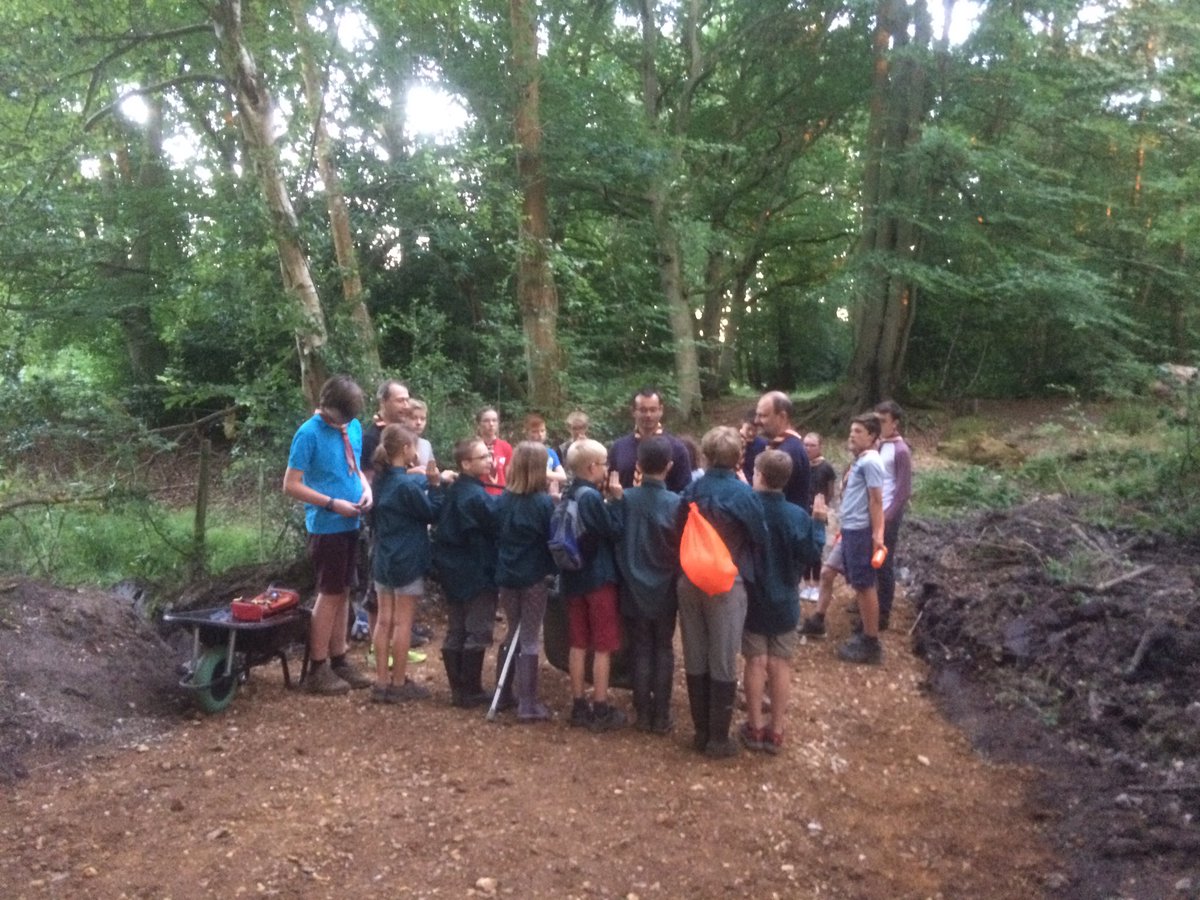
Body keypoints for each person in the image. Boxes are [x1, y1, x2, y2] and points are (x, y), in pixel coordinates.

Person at [678, 426, 768, 758]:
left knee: (695, 652)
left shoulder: (692, 488)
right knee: (723, 656)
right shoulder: (745, 496)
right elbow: (760, 538)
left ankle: (700, 732)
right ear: (737, 458)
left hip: (689, 580)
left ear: (706, 454)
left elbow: (678, 527)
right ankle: (718, 738)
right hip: (727, 583)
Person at [283, 375, 374, 694]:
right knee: (330, 592)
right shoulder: (308, 434)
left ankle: (340, 659)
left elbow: (355, 468)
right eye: (339, 419)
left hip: (352, 521)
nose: (343, 425)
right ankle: (317, 668)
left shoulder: (353, 427)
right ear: (325, 406)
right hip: (327, 525)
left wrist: (366, 489)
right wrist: (333, 504)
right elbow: (291, 484)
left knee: (345, 591)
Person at [741, 449, 821, 754]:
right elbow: (812, 554)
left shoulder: (748, 510)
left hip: (754, 599)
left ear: (759, 475)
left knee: (755, 661)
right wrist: (820, 525)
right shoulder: (798, 516)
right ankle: (776, 730)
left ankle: (754, 726)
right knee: (779, 663)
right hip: (786, 600)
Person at [798, 414, 887, 665]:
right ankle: (817, 621)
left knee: (863, 584)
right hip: (848, 530)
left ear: (872, 436)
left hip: (860, 532)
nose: (852, 435)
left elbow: (877, 501)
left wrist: (877, 535)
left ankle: (871, 643)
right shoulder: (860, 461)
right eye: (851, 430)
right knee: (827, 573)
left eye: (858, 431)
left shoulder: (871, 463)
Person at [612, 436, 683, 734]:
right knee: (663, 646)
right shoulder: (678, 504)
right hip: (665, 587)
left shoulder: (624, 499)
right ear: (669, 466)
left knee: (640, 647)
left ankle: (642, 713)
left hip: (631, 586)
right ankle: (661, 715)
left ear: (638, 466)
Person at [369, 424, 442, 702]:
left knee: (384, 620)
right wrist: (435, 486)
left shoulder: (380, 480)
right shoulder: (404, 486)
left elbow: (406, 486)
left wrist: (425, 480)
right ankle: (399, 684)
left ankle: (381, 682)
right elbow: (431, 513)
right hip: (407, 558)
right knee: (403, 623)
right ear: (406, 450)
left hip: (383, 556)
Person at [360, 379, 428, 664]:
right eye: (401, 400)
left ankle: (395, 646)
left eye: (408, 399)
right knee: (379, 591)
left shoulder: (404, 432)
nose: (407, 405)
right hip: (381, 522)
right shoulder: (370, 437)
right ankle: (381, 652)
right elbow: (366, 477)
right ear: (383, 402)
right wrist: (418, 478)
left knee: (395, 594)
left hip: (401, 520)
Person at [561, 438, 627, 731]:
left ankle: (578, 704)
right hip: (598, 577)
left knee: (577, 642)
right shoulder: (589, 497)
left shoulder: (568, 492)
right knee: (602, 644)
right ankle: (599, 705)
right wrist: (616, 501)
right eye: (604, 465)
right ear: (591, 467)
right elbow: (613, 530)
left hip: (572, 575)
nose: (607, 469)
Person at [432, 438, 499, 708]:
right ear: (466, 463)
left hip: (452, 570)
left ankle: (459, 689)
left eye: (489, 455)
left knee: (457, 627)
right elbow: (496, 524)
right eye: (483, 457)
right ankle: (469, 690)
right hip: (474, 570)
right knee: (477, 628)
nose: (489, 460)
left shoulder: (457, 491)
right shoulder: (474, 496)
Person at [494, 442, 558, 721]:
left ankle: (506, 692)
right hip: (532, 578)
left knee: (512, 631)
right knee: (530, 636)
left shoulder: (504, 500)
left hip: (507, 575)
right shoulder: (543, 503)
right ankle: (527, 703)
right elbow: (551, 540)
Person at [608, 387, 692, 493]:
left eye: (653, 410)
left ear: (661, 410)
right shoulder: (619, 447)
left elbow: (685, 490)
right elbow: (609, 487)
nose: (648, 415)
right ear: (633, 411)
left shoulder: (677, 448)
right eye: (643, 410)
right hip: (626, 508)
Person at [874, 400, 912, 631]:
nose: (879, 425)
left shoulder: (900, 450)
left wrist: (888, 516)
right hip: (874, 511)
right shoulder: (878, 444)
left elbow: (903, 489)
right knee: (870, 560)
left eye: (883, 421)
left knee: (884, 562)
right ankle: (869, 602)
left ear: (894, 423)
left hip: (888, 514)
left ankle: (883, 612)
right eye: (876, 420)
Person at [753, 391, 811, 511]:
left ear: (782, 417)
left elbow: (770, 499)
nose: (756, 421)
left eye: (763, 416)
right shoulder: (783, 445)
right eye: (757, 415)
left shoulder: (788, 452)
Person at [801, 432, 837, 601]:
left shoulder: (826, 468)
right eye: (805, 444)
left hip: (818, 513)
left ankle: (815, 585)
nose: (808, 448)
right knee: (803, 547)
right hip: (802, 512)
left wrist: (823, 507)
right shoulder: (802, 464)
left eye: (812, 445)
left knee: (816, 548)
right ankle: (806, 582)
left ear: (819, 446)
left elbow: (830, 491)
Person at [523, 413, 567, 493]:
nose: (540, 435)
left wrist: (543, 473)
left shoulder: (551, 453)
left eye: (542, 431)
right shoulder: (523, 452)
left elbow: (563, 476)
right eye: (534, 432)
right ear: (527, 433)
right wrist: (551, 476)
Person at [475, 407, 512, 497]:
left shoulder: (506, 447)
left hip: (501, 495)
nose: (491, 424)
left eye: (494, 420)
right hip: (479, 495)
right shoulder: (473, 447)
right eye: (486, 421)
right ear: (479, 424)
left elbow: (509, 475)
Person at [405, 398, 435, 467]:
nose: (419, 422)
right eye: (413, 418)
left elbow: (431, 472)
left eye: (423, 419)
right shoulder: (396, 443)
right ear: (404, 419)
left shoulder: (426, 445)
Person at [739, 410, 767, 483]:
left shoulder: (762, 444)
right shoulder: (733, 441)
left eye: (755, 430)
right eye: (748, 429)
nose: (751, 433)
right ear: (742, 423)